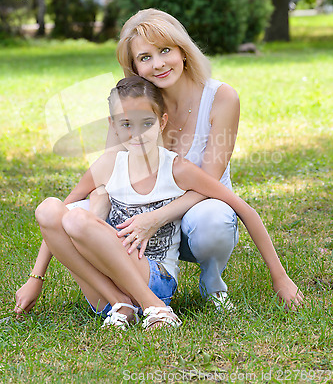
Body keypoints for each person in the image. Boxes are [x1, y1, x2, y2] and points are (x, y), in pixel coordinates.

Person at [14, 77, 303, 328]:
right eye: (126, 124)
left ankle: (156, 307)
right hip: (105, 286)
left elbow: (245, 210)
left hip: (155, 278)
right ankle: (121, 306)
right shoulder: (107, 165)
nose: (137, 134)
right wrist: (35, 278)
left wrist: (280, 278)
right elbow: (51, 221)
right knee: (49, 207)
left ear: (162, 122)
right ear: (113, 125)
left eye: (147, 123)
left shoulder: (176, 169)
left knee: (77, 218)